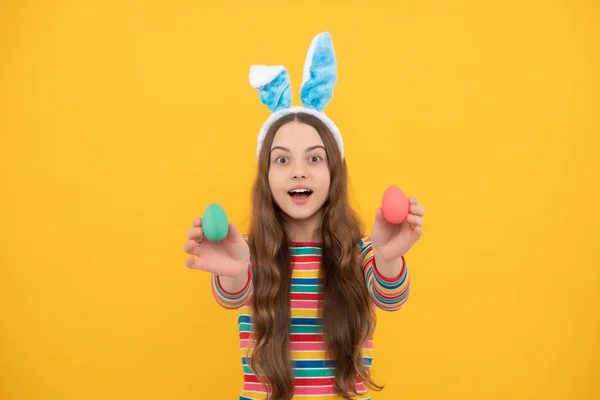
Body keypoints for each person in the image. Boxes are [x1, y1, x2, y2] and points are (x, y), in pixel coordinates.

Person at [183, 32, 425, 400]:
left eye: (314, 158)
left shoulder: (361, 253)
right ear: (265, 176)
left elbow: (391, 297)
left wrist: (388, 257)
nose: (299, 172)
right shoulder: (248, 252)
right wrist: (232, 272)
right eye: (282, 159)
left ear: (334, 173)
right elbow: (235, 295)